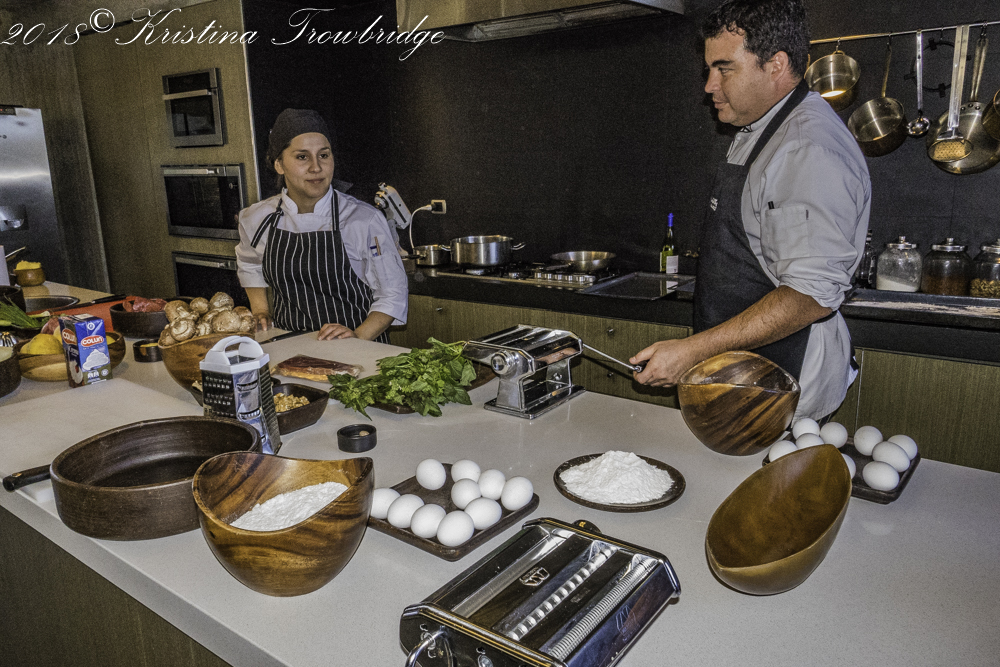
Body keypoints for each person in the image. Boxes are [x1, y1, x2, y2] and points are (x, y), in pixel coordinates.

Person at [630, 0, 870, 421]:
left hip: (785, 381)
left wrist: (692, 351)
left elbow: (810, 295)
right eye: (709, 69)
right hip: (746, 374)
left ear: (776, 65)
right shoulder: (760, 129)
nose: (709, 85)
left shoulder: (805, 149)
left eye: (724, 69)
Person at [235, 109, 407, 343]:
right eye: (302, 157)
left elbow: (393, 292)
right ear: (279, 164)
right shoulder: (256, 218)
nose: (316, 167)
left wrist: (358, 336)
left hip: (358, 350)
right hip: (289, 346)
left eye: (323, 155)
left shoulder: (363, 219)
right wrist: (260, 310)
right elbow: (249, 263)